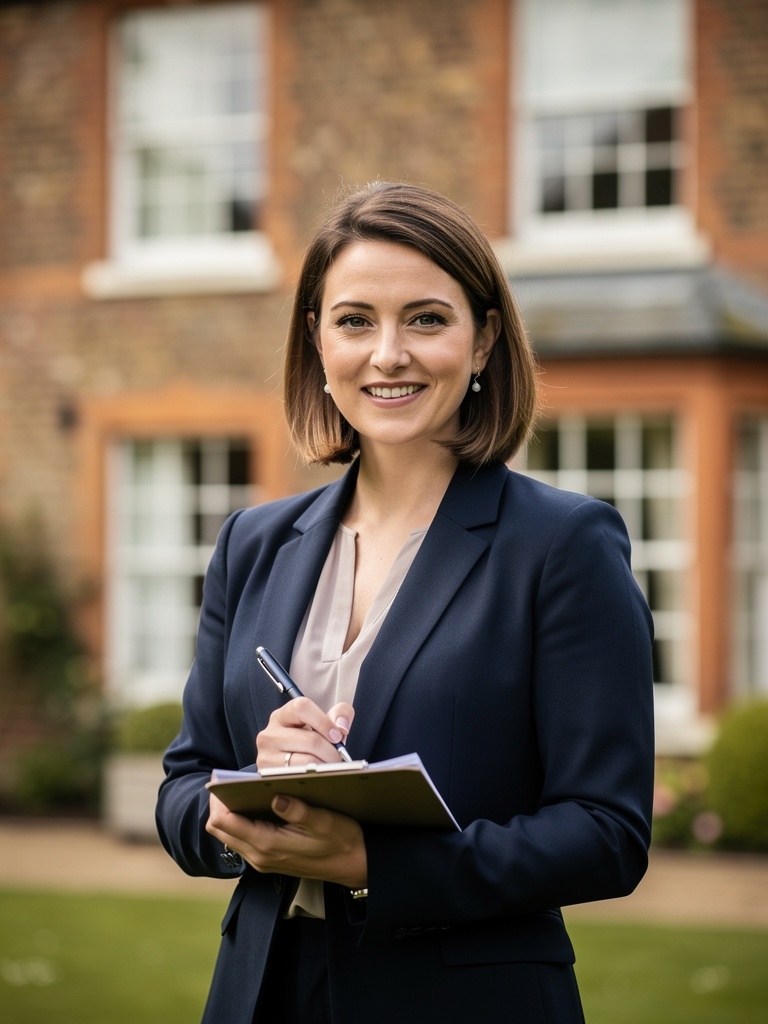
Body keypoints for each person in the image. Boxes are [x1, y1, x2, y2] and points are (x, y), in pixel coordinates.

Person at [156, 181, 655, 1024]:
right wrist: (237, 801)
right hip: (263, 992)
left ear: (485, 340)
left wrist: (374, 863)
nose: (388, 354)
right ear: (317, 341)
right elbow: (182, 785)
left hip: (466, 998)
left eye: (426, 319)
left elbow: (608, 833)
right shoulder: (252, 542)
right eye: (354, 321)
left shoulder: (564, 544)